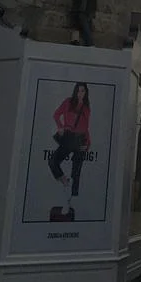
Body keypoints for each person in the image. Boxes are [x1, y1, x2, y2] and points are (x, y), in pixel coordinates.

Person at [49, 82, 91, 215]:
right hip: (69, 137)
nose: (80, 94)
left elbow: (86, 128)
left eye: (83, 91)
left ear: (86, 93)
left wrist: (88, 143)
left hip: (81, 139)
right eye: (78, 91)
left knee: (76, 172)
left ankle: (71, 203)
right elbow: (56, 115)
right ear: (75, 92)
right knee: (53, 161)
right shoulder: (68, 102)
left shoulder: (86, 108)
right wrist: (60, 126)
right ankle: (65, 181)